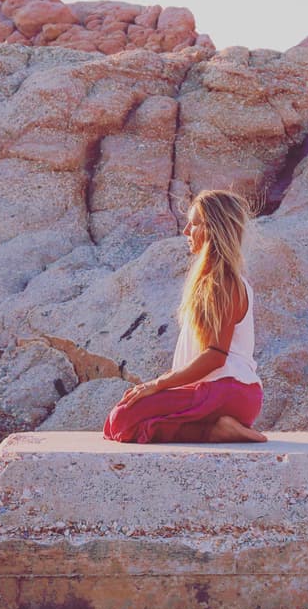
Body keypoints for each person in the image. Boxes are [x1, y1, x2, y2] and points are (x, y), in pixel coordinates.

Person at [103, 189, 267, 443]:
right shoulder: (220, 281)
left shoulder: (222, 282)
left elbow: (215, 356)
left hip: (225, 389)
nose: (186, 231)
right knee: (133, 415)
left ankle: (213, 431)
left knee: (121, 420)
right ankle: (219, 427)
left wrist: (157, 384)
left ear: (213, 230)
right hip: (236, 395)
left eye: (195, 223)